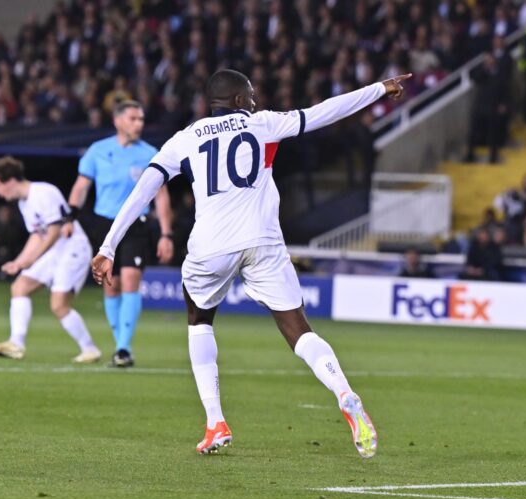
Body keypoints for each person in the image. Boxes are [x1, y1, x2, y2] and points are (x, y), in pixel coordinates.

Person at [92, 69, 411, 457]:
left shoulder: (185, 139)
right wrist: (379, 88)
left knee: (199, 319)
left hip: (211, 245)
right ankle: (343, 390)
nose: (256, 100)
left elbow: (145, 188)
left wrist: (109, 245)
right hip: (263, 241)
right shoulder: (263, 124)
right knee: (299, 329)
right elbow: (327, 111)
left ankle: (216, 422)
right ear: (239, 101)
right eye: (252, 95)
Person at [63, 100, 174, 368]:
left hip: (136, 224)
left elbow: (161, 196)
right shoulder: (98, 151)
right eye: (134, 118)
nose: (139, 124)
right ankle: (120, 344)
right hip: (104, 224)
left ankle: (123, 348)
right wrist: (70, 217)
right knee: (111, 287)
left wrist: (166, 234)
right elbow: (81, 186)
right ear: (118, 121)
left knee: (130, 278)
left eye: (141, 119)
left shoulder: (150, 153)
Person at [0, 156, 101, 364]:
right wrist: (20, 262)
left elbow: (55, 230)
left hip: (73, 249)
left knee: (59, 305)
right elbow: (38, 235)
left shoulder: (43, 192)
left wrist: (32, 259)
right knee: (19, 287)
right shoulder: (23, 203)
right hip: (54, 251)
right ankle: (16, 344)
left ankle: (90, 349)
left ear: (10, 180)